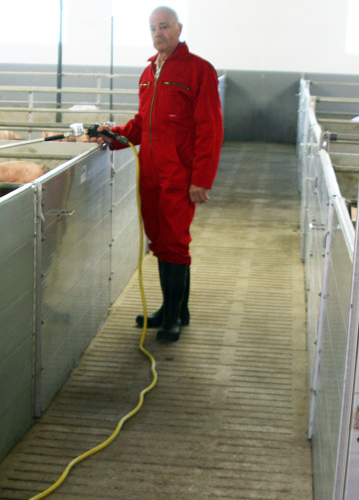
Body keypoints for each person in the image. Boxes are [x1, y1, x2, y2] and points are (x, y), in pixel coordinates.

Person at [100, 6, 223, 342]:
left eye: (164, 26)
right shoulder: (148, 72)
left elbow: (210, 128)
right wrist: (114, 135)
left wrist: (201, 178)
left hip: (179, 174)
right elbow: (142, 124)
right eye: (153, 27)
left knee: (175, 242)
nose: (158, 33)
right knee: (159, 240)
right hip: (152, 172)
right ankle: (174, 309)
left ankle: (173, 317)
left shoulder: (199, 70)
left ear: (179, 28)